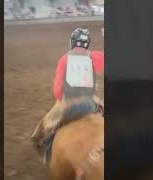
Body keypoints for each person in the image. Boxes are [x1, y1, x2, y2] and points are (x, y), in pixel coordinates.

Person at [31, 27, 105, 164]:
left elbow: (58, 92)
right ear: (87, 43)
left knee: (47, 129)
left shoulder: (65, 59)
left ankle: (49, 158)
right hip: (90, 104)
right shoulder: (94, 56)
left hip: (69, 106)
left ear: (72, 42)